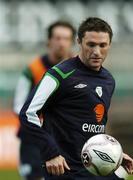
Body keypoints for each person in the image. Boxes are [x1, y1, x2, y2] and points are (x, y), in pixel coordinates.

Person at [19, 17, 133, 180]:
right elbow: (28, 113)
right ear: (79, 42)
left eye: (102, 45)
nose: (96, 51)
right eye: (91, 44)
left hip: (93, 167)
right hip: (64, 169)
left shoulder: (108, 80)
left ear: (109, 44)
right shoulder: (58, 75)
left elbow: (93, 126)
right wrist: (50, 152)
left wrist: (115, 154)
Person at [13, 20, 76, 180]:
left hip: (67, 138)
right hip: (34, 138)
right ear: (49, 41)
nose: (61, 43)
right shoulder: (33, 70)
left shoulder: (79, 70)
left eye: (66, 38)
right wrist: (39, 121)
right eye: (57, 38)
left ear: (73, 42)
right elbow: (18, 106)